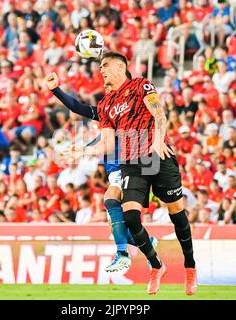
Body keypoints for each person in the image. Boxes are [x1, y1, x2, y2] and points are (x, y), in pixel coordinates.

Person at [66, 51, 197, 295]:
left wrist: (158, 140)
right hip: (131, 162)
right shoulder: (105, 105)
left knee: (176, 212)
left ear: (120, 67)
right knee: (131, 217)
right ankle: (156, 266)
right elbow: (106, 143)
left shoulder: (140, 85)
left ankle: (190, 267)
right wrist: (82, 151)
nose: (101, 70)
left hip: (158, 157)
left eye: (105, 65)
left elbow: (159, 113)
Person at [45, 71, 157, 273]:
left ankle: (122, 255)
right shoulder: (106, 114)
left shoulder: (133, 109)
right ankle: (148, 244)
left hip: (134, 167)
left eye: (111, 84)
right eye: (105, 86)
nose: (107, 88)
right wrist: (55, 90)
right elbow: (77, 107)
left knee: (110, 200)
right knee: (115, 224)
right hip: (116, 173)